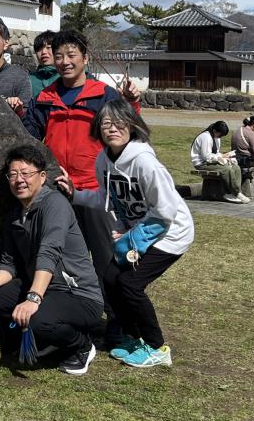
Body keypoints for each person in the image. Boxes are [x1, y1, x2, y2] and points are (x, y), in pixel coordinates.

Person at [22, 29, 142, 342]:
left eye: (71, 55)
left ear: (85, 58)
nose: (64, 62)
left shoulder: (103, 95)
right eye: (59, 56)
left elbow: (129, 131)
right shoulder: (45, 98)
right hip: (56, 190)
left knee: (107, 258)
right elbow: (28, 135)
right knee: (59, 257)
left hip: (95, 191)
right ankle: (66, 317)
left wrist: (132, 102)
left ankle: (118, 322)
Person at [62, 99, 194, 368]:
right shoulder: (103, 160)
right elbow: (106, 199)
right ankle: (133, 338)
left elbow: (166, 210)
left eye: (119, 122)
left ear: (132, 125)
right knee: (111, 279)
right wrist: (75, 194)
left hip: (171, 233)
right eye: (106, 123)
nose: (112, 128)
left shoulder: (144, 162)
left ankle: (157, 347)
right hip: (140, 232)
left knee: (130, 285)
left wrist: (133, 238)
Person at [0, 144, 103, 376]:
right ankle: (40, 340)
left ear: (42, 177)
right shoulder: (15, 216)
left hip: (77, 294)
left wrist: (33, 298)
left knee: (36, 319)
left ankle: (81, 345)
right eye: (13, 174)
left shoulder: (55, 204)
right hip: (45, 290)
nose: (19, 180)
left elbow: (49, 252)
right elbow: (9, 264)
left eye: (26, 173)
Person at [190, 120, 249, 204]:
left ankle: (232, 193)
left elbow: (216, 153)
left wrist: (225, 156)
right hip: (201, 163)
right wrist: (221, 157)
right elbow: (206, 157)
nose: (220, 137)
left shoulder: (216, 137)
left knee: (236, 167)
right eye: (220, 134)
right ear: (214, 131)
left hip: (211, 161)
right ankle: (236, 193)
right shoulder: (205, 137)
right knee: (226, 169)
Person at [28, 30, 59, 98]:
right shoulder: (28, 80)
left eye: (48, 47)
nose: (44, 52)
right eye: (39, 49)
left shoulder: (68, 77)